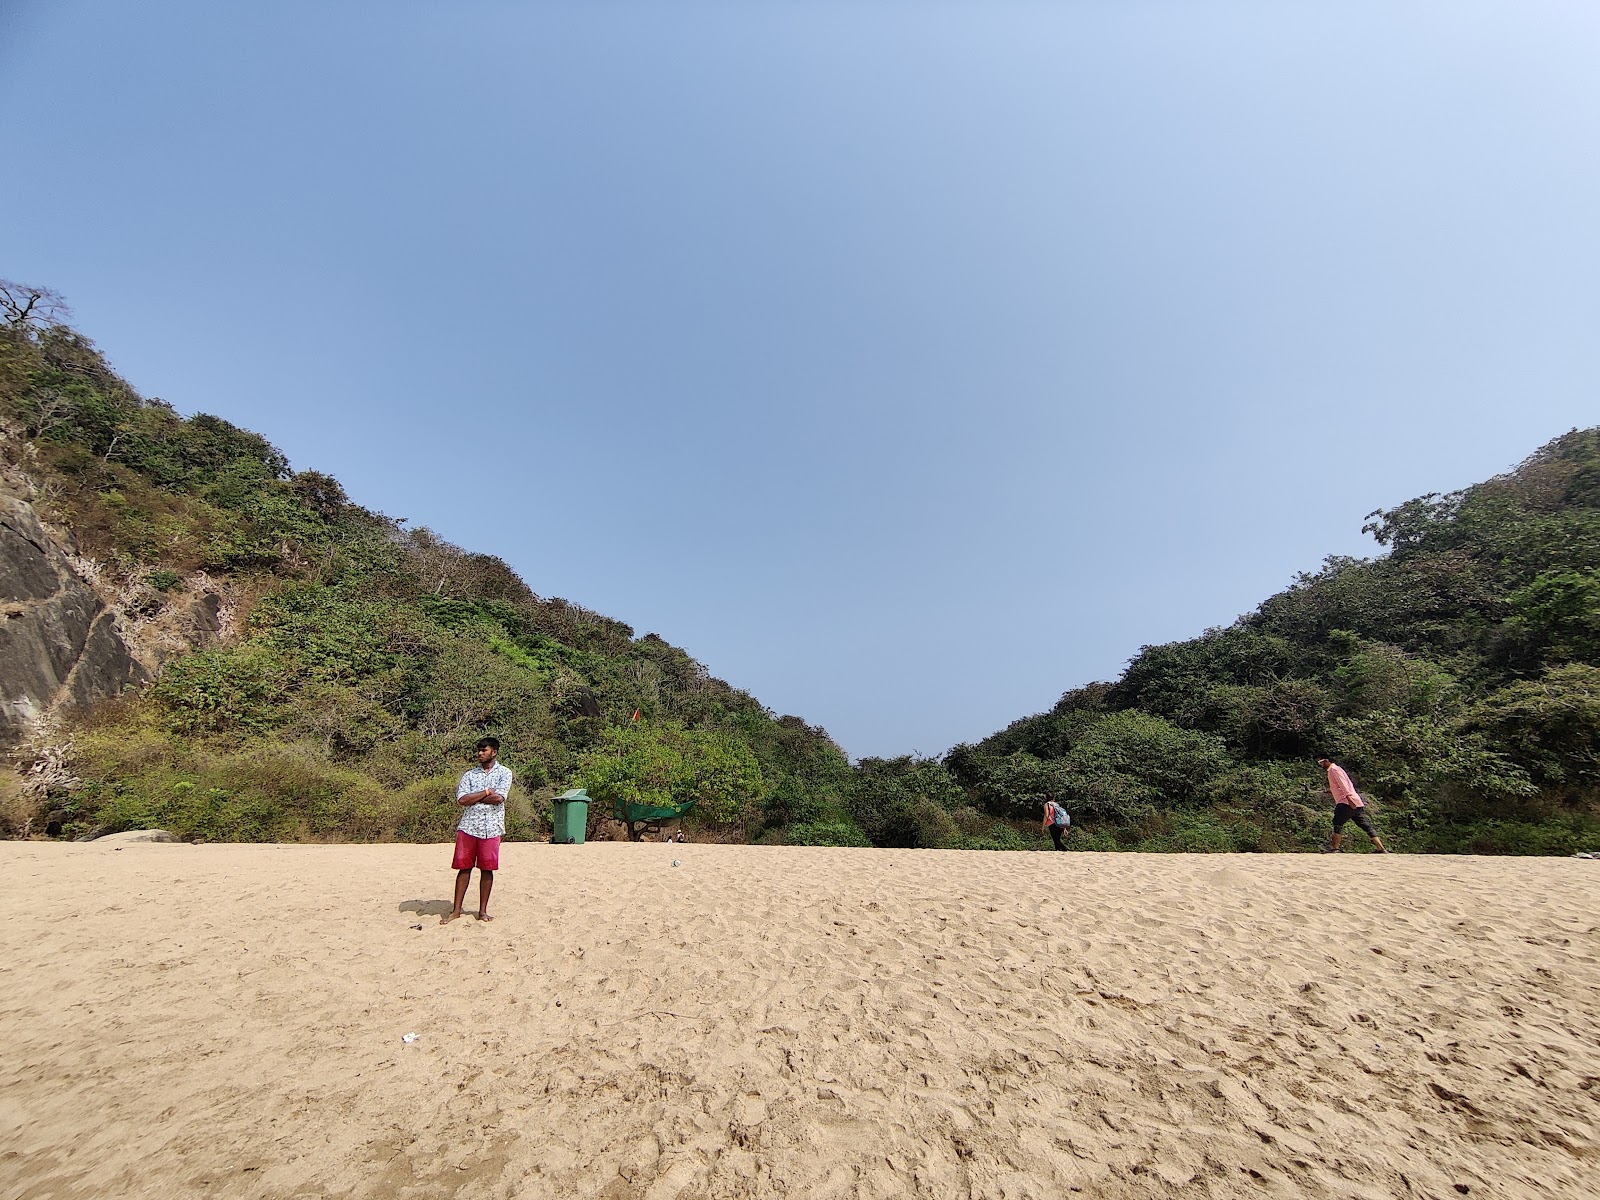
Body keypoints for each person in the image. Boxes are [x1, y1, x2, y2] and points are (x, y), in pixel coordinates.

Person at [443, 737, 513, 923]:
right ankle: (456, 910)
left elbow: (500, 798)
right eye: (479, 750)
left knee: (487, 869)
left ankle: (482, 911)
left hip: (492, 827)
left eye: (484, 750)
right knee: (463, 868)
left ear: (494, 752)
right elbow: (462, 800)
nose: (480, 753)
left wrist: (475, 797)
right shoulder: (469, 775)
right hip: (468, 827)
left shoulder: (505, 773)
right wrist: (486, 793)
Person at [1316, 756, 1387, 854]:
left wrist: (1349, 799)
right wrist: (1330, 791)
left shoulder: (1333, 770)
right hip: (1355, 801)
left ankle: (1334, 847)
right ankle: (1380, 847)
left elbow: (1343, 785)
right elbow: (1341, 786)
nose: (1320, 764)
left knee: (1337, 823)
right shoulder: (1337, 769)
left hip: (1346, 801)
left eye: (1321, 762)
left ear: (1327, 761)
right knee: (1364, 825)